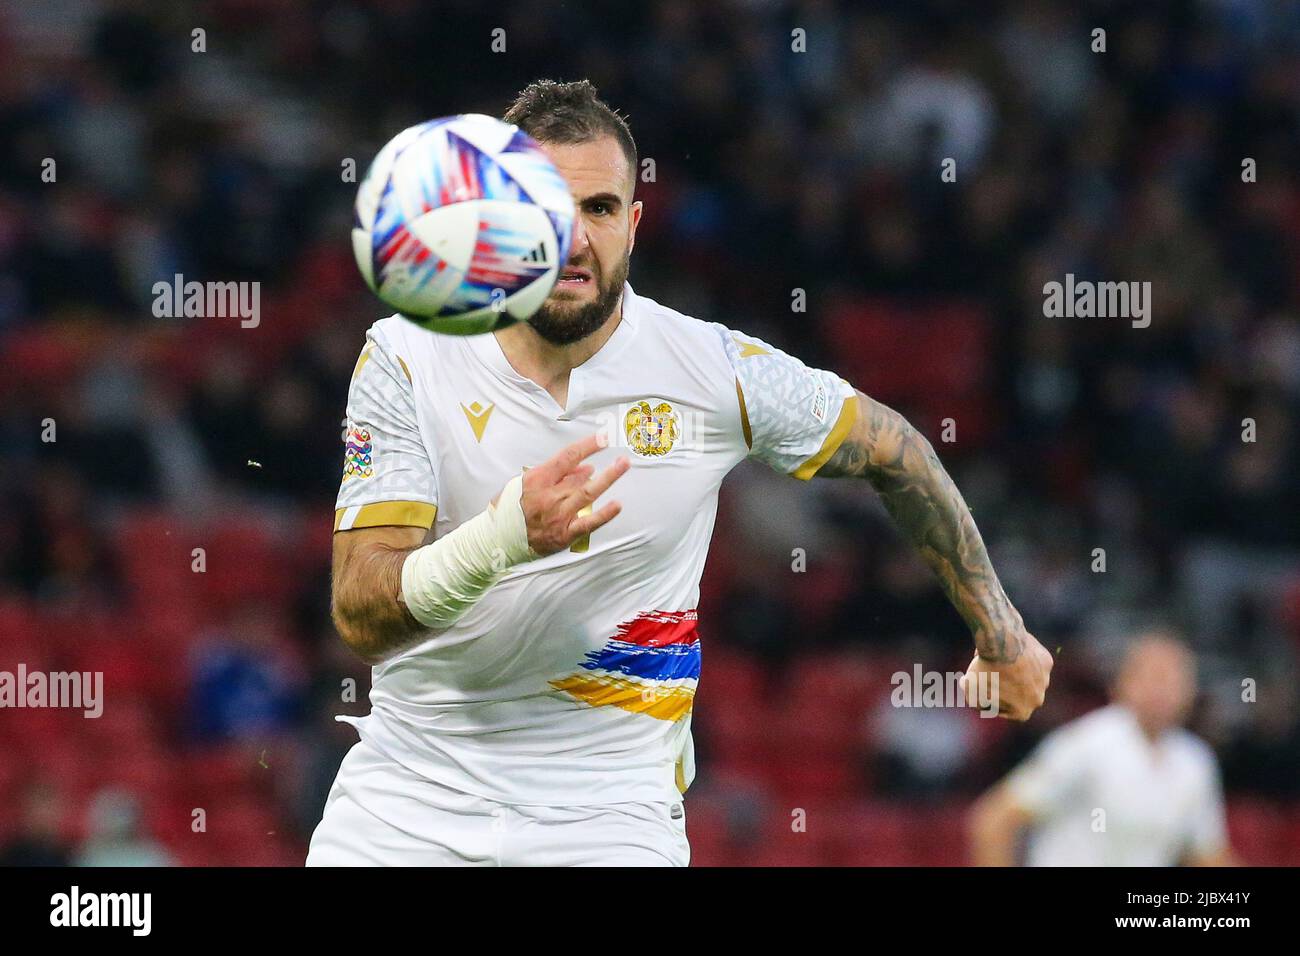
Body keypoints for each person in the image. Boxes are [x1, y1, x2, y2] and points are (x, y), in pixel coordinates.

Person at [307, 79, 1052, 866]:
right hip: (407, 801)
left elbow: (900, 451)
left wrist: (1000, 632)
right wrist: (500, 539)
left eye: (598, 209)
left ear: (632, 223)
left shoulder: (712, 371)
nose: (575, 237)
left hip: (609, 816)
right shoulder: (407, 355)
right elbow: (361, 614)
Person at [969, 630, 1235, 866]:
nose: (1163, 690)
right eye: (1154, 676)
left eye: (1175, 678)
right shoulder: (1086, 743)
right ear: (1122, 683)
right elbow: (993, 821)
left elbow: (1206, 855)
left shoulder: (1195, 761)